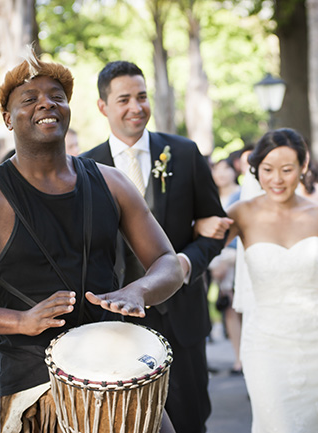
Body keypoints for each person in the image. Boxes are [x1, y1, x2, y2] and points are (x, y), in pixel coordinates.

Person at [0, 47, 184, 433]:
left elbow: (168, 263)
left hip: (117, 367)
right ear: (8, 119)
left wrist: (139, 290)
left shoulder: (111, 182)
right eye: (30, 99)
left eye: (56, 97)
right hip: (34, 381)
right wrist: (19, 321)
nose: (47, 104)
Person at [82, 60, 228, 433]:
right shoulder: (84, 168)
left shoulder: (183, 153)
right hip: (114, 320)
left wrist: (183, 263)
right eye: (124, 99)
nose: (136, 107)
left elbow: (215, 229)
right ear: (103, 107)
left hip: (182, 313)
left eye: (142, 97)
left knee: (192, 417)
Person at [223, 128, 318, 432]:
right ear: (255, 170)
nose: (277, 179)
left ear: (303, 167)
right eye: (268, 170)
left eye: (287, 170)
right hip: (266, 344)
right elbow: (203, 247)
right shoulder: (241, 214)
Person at [208, 158, 243, 375]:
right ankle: (238, 357)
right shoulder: (210, 196)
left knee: (242, 308)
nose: (220, 174)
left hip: (239, 258)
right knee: (228, 308)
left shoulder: (241, 195)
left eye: (225, 169)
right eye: (216, 170)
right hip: (216, 259)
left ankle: (247, 356)